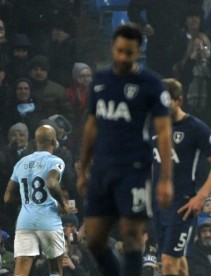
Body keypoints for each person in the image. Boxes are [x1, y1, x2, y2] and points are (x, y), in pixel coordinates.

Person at [76, 24, 174, 276]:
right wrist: (83, 167)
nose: (122, 57)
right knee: (94, 239)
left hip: (135, 169)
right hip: (102, 169)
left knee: (131, 236)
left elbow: (164, 132)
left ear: (138, 52)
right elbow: (92, 124)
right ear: (113, 48)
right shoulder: (100, 79)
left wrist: (165, 178)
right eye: (119, 51)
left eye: (128, 53)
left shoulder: (151, 84)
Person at [153, 78, 211, 276]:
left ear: (179, 101)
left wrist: (200, 197)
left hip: (183, 204)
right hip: (157, 204)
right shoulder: (152, 124)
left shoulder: (194, 128)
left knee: (168, 262)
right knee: (176, 260)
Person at [3, 125, 69, 276]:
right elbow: (52, 182)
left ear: (34, 142)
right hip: (49, 220)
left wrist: (26, 199)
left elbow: (7, 197)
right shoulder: (55, 161)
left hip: (25, 221)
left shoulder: (21, 163)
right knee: (55, 269)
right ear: (54, 142)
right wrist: (63, 203)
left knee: (20, 271)